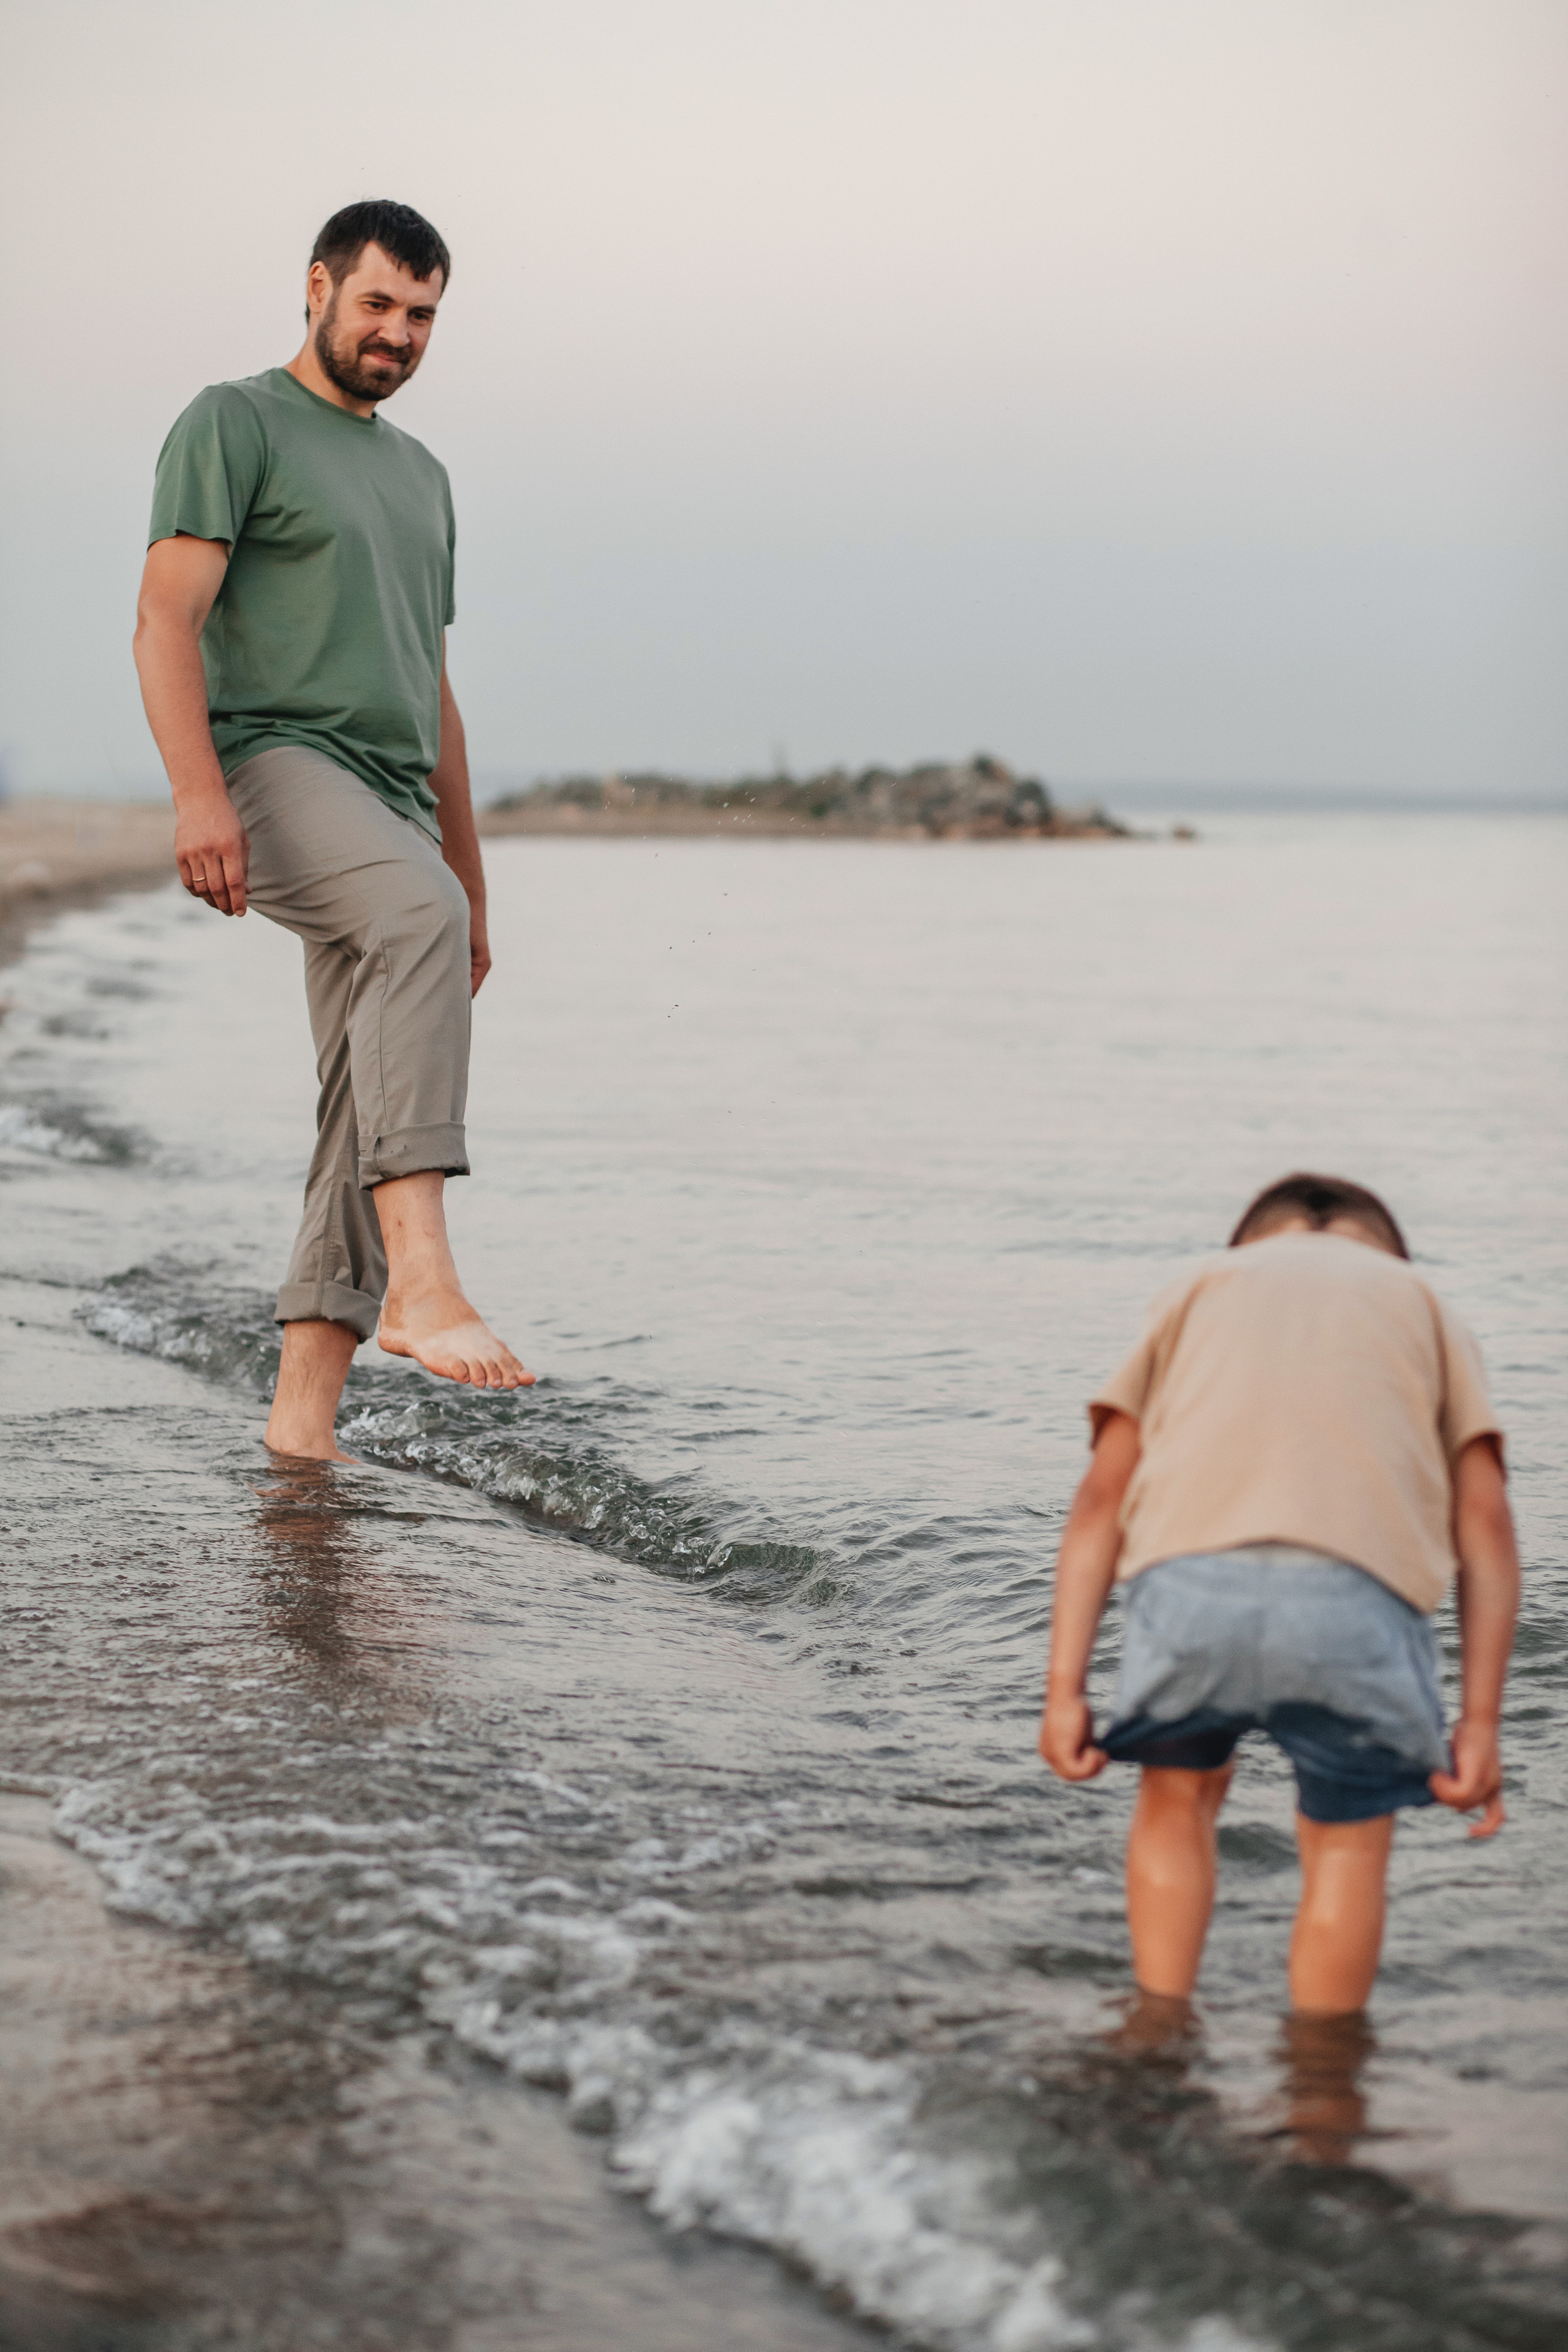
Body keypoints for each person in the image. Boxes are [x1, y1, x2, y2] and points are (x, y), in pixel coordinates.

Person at [133, 199, 531, 1460]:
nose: (398, 334)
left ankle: (300, 1433)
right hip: (270, 761)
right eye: (377, 305)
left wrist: (466, 878)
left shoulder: (423, 477)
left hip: (391, 797)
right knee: (411, 923)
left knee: (361, 1090)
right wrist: (199, 793)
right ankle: (422, 1279)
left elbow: (435, 690)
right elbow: (164, 620)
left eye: (421, 316)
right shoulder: (233, 422)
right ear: (316, 286)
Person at [1038, 1173, 1520, 2015]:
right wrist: (1479, 1723)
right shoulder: (1423, 1301)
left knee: (1177, 1800)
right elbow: (1485, 1525)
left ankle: (1158, 2030)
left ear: (1250, 1243)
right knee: (1345, 1849)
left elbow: (1100, 1502)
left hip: (1192, 1586)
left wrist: (1063, 1692)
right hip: (1355, 1600)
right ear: (1386, 1251)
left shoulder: (1196, 1287)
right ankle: (1323, 2086)